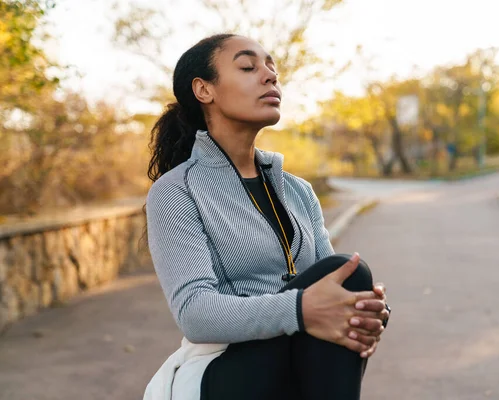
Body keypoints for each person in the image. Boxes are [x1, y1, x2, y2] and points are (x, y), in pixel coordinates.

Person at [144, 33, 391, 400]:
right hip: (227, 368)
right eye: (247, 67)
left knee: (352, 275)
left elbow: (331, 285)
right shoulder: (176, 190)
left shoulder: (299, 191)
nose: (270, 76)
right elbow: (195, 313)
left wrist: (368, 310)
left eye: (271, 67)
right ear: (204, 90)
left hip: (301, 361)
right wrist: (300, 309)